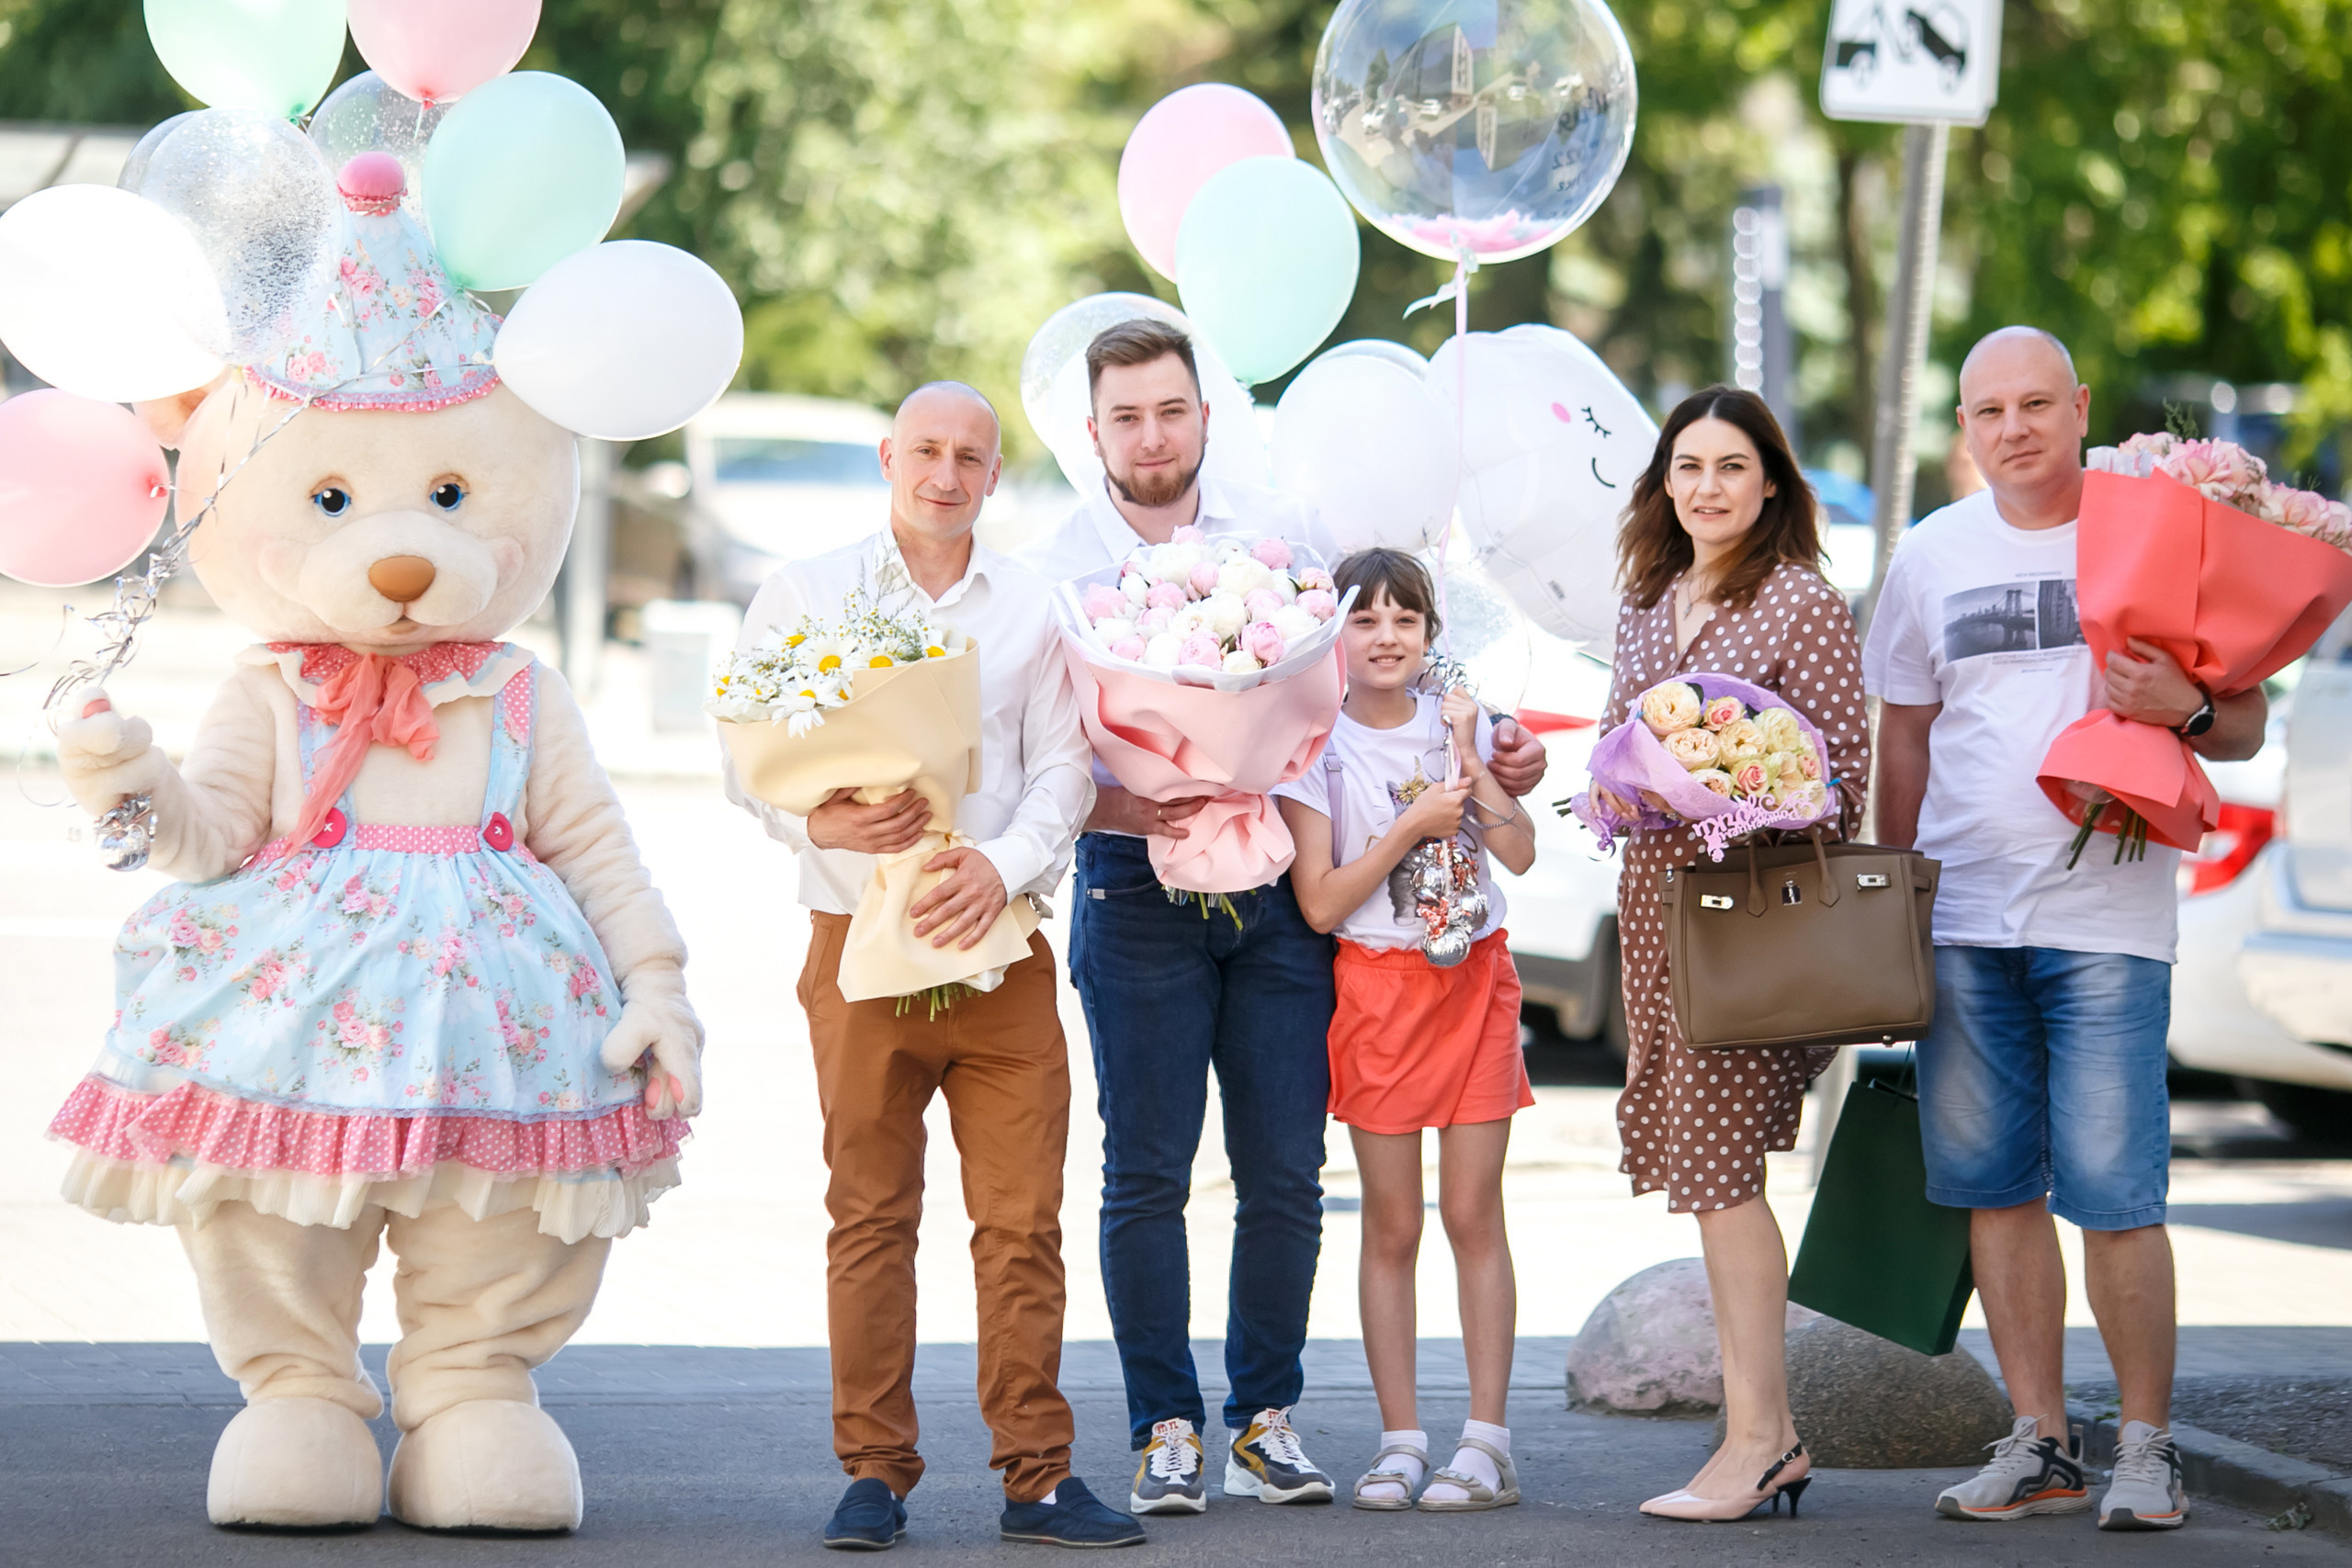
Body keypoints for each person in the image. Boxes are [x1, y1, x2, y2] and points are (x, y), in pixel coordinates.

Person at [1021, 319, 1552, 1517]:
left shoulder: (1277, 533)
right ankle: (1166, 1424)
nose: (1151, 435)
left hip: (1278, 891)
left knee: (1286, 1172)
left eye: (1170, 409)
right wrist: (1163, 788)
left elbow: (1376, 674)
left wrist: (1485, 733)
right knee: (1147, 1171)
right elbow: (1045, 759)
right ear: (1092, 430)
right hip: (1134, 883)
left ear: (1205, 414)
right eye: (1126, 416)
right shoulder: (1062, 565)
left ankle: (1265, 1414)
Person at [722, 382, 1143, 1551]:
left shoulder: (1034, 607)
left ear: (994, 476)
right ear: (887, 456)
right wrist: (819, 824)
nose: (944, 474)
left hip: (999, 949)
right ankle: (873, 1470)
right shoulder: (805, 593)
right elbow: (742, 753)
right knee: (869, 1215)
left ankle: (1038, 1476)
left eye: (969, 456)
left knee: (1021, 1222)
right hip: (854, 946)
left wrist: (1001, 867)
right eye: (925, 450)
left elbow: (1063, 767)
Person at [1865, 327, 2265, 1532]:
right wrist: (1895, 895)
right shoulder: (1931, 552)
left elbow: (2240, 723)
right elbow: (1908, 734)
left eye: (2036, 402)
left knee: (2117, 1189)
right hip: (1967, 912)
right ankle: (2039, 1438)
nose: (2014, 427)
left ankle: (2146, 1446)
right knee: (1995, 1187)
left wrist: (2184, 705)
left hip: (2108, 916)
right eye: (1988, 409)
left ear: (2080, 406)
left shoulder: (2154, 527)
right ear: (1966, 426)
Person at [1594, 386, 1868, 1522]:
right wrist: (1615, 794)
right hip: (1657, 914)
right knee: (1710, 1178)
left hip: (1755, 919)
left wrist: (1743, 797)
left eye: (1730, 466)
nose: (1707, 486)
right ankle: (1762, 1434)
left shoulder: (1803, 601)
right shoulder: (1646, 602)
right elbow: (1621, 745)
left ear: (1770, 483)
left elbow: (1842, 775)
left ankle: (1760, 1439)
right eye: (1687, 466)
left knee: (1721, 1173)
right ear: (1665, 482)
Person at [1274, 548, 1537, 1515]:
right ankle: (1400, 1441)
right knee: (1390, 1224)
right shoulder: (1313, 749)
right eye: (1363, 619)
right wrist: (1409, 826)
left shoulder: (1458, 722)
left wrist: (1468, 762)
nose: (1385, 637)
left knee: (1473, 1213)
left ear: (1432, 633)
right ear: (1330, 636)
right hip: (1378, 989)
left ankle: (1487, 1442)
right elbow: (1317, 902)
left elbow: (1519, 847)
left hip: (1474, 979)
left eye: (1405, 619)